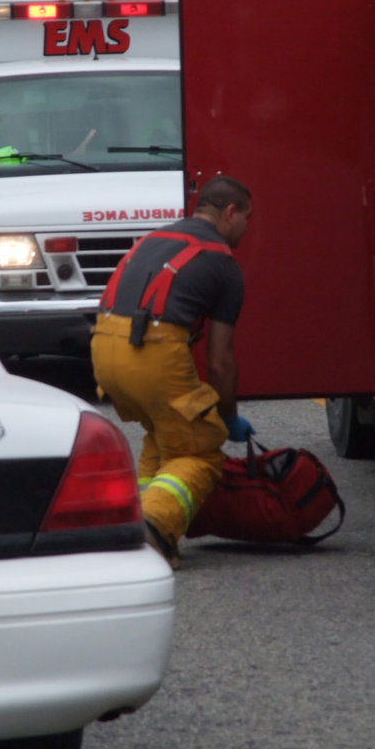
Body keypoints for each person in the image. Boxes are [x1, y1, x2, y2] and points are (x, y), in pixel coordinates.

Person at [91, 175, 253, 568]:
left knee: (164, 436)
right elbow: (219, 360)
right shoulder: (223, 264)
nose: (248, 228)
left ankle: (133, 523)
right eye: (248, 218)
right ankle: (152, 526)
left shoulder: (156, 238)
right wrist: (228, 417)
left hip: (104, 348)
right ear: (230, 213)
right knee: (200, 451)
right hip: (151, 353)